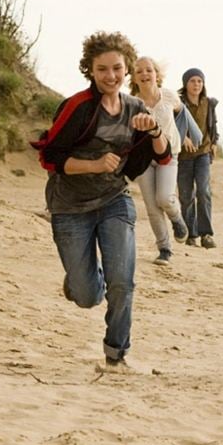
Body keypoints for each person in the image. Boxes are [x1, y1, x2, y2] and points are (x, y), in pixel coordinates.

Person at [32, 32, 171, 370]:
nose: (111, 76)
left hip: (114, 200)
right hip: (70, 207)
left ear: (127, 69)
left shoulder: (136, 108)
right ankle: (80, 279)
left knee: (122, 282)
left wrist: (153, 131)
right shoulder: (77, 106)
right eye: (102, 69)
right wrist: (93, 164)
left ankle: (116, 355)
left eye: (117, 68)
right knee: (87, 295)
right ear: (90, 71)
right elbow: (50, 157)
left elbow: (163, 156)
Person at [130, 57, 190, 265]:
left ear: (157, 74)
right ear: (134, 77)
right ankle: (164, 249)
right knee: (152, 207)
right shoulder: (133, 103)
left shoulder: (169, 96)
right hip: (145, 159)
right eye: (139, 71)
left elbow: (183, 114)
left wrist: (183, 136)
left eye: (149, 70)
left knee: (164, 198)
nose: (145, 74)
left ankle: (177, 218)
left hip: (170, 155)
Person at [177, 68, 219, 249]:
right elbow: (171, 125)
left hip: (203, 153)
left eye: (199, 81)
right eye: (193, 81)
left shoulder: (208, 103)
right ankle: (190, 234)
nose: (196, 85)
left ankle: (206, 234)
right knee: (186, 195)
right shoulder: (178, 103)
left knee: (203, 191)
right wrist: (182, 137)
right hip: (183, 157)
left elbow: (213, 124)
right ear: (186, 84)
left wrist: (214, 142)